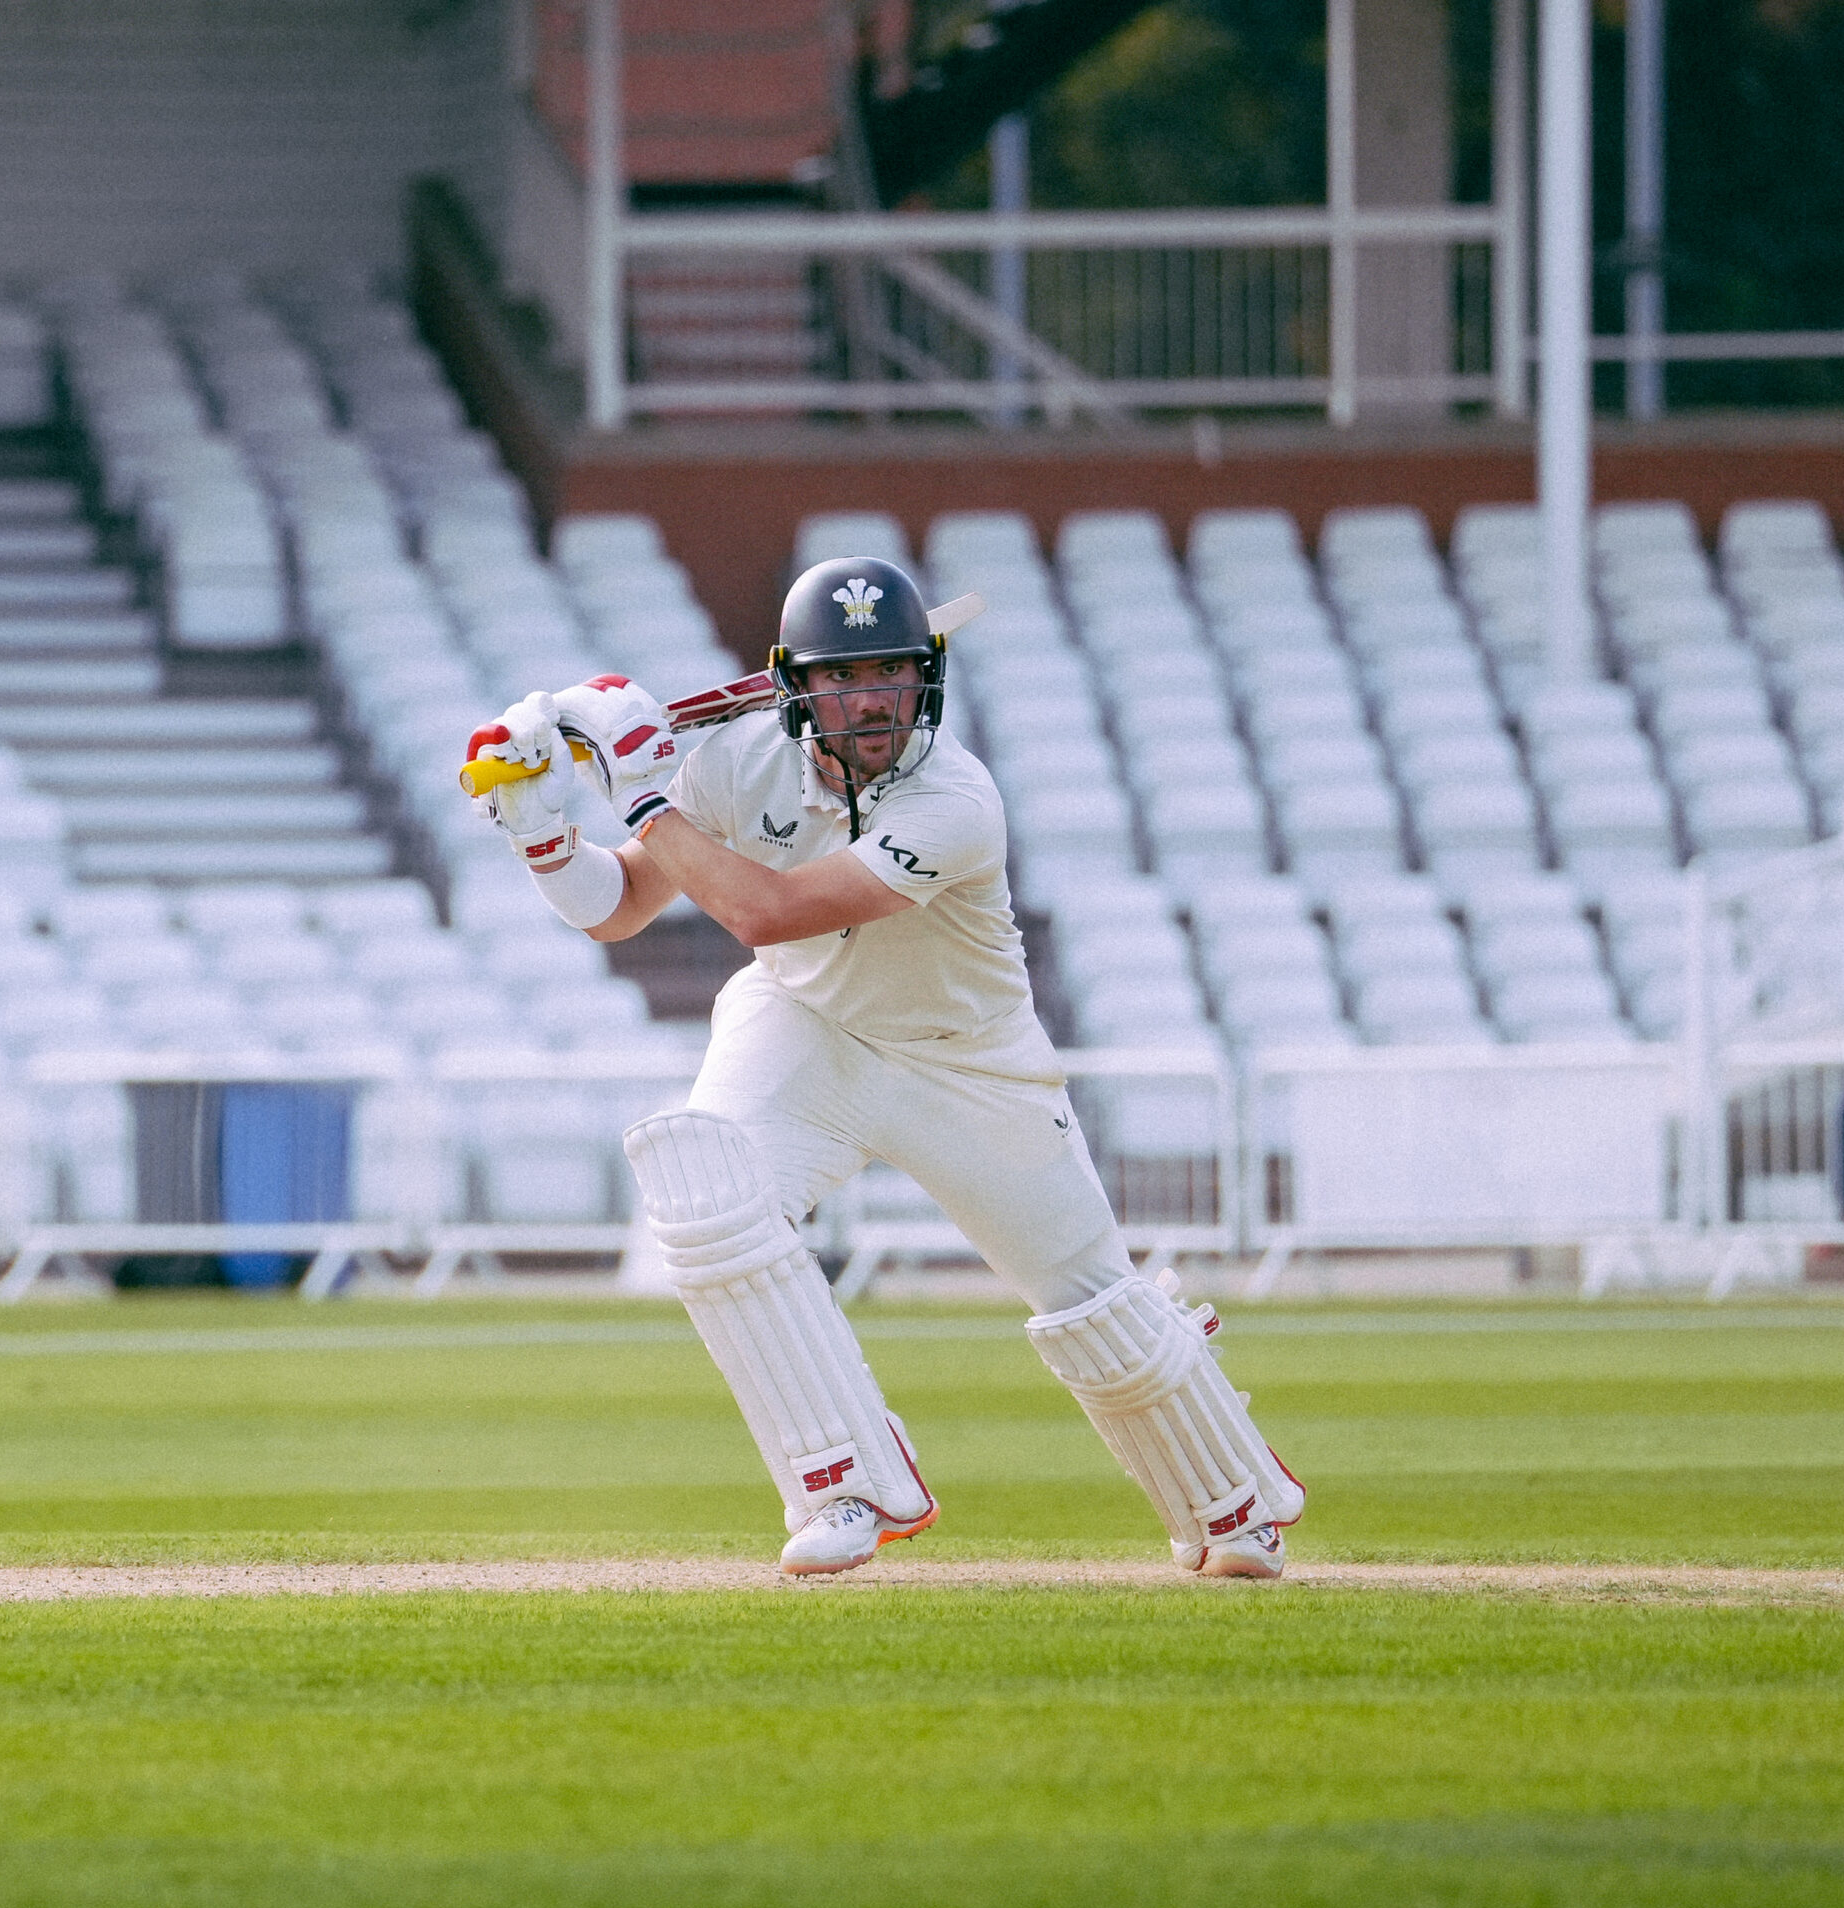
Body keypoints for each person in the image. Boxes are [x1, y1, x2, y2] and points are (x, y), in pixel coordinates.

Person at [464, 555, 1303, 1579]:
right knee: (707, 1202)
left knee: (1092, 1302)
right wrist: (545, 836)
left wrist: (640, 796)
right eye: (845, 679)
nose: (871, 702)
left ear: (925, 679)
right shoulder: (734, 761)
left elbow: (764, 910)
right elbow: (620, 908)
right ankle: (842, 1484)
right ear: (798, 686)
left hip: (969, 1063)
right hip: (805, 1027)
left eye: (891, 676)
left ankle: (1232, 1504)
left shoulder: (956, 797)